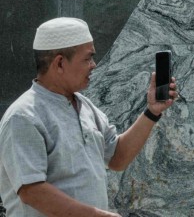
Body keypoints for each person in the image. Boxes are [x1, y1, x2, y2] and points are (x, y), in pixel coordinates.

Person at [0, 18, 178, 217]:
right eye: (87, 58)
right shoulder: (24, 117)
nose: (93, 65)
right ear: (59, 63)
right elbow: (32, 191)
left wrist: (152, 111)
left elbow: (117, 158)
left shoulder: (85, 106)